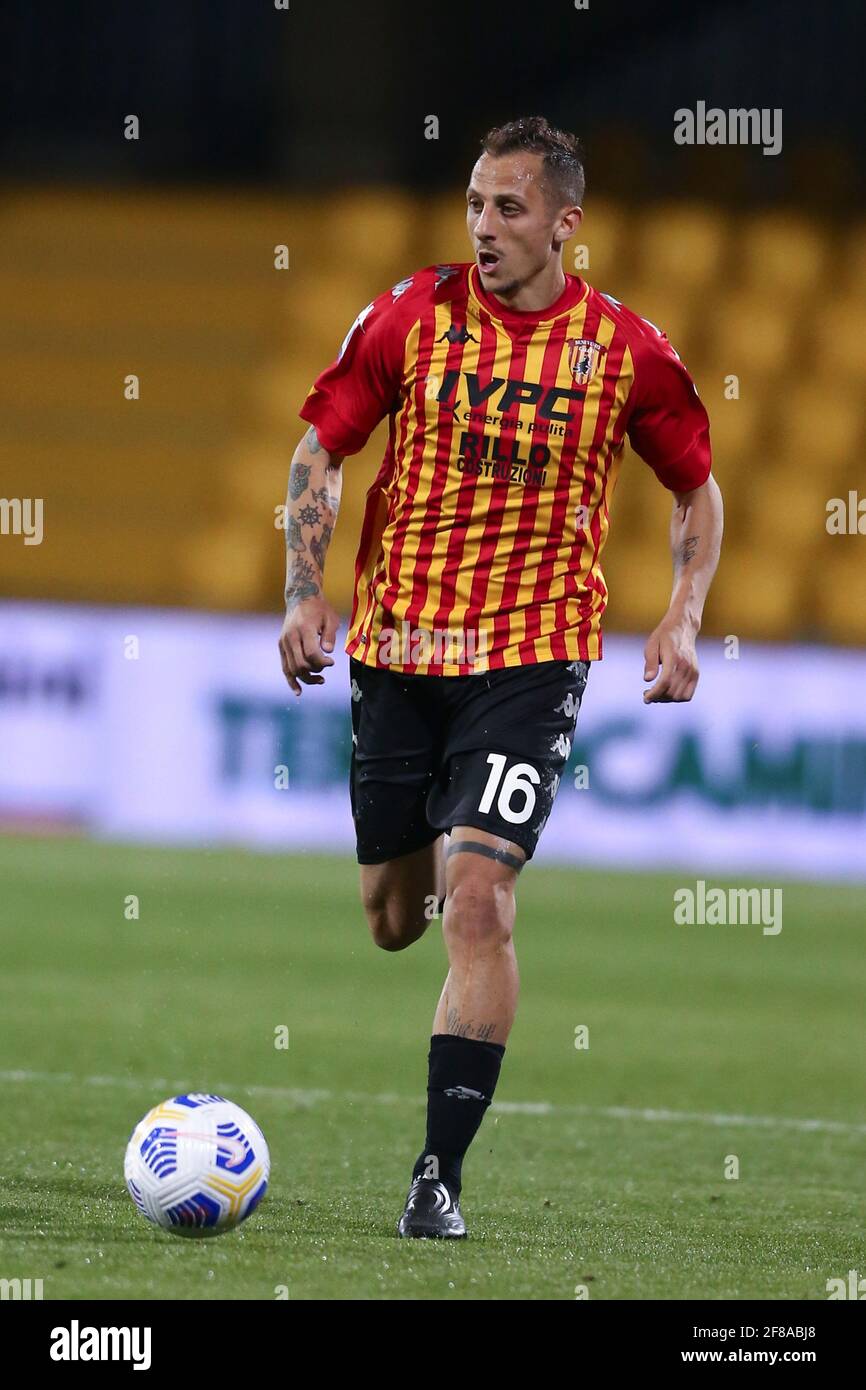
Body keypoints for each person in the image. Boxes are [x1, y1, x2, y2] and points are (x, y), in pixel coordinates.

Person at [278, 115, 724, 1238]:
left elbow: (694, 487)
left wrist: (681, 613)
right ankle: (445, 825)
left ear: (565, 224)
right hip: (398, 650)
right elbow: (318, 449)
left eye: (508, 208)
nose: (483, 227)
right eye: (474, 205)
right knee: (393, 917)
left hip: (531, 658)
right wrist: (301, 588)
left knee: (477, 900)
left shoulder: (622, 350)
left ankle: (438, 1175)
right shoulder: (408, 316)